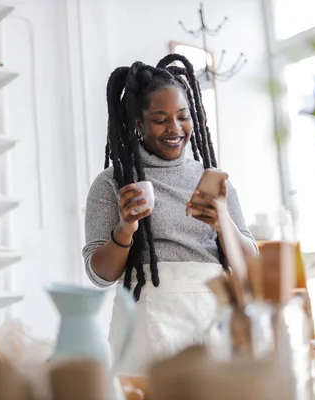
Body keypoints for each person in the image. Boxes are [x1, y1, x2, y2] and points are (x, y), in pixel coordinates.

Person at [82, 54, 257, 375]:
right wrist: (126, 227)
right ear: (139, 124)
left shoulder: (213, 180)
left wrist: (222, 222)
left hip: (215, 316)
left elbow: (249, 264)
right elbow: (100, 275)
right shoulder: (112, 183)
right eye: (160, 119)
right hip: (148, 320)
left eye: (183, 116)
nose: (175, 128)